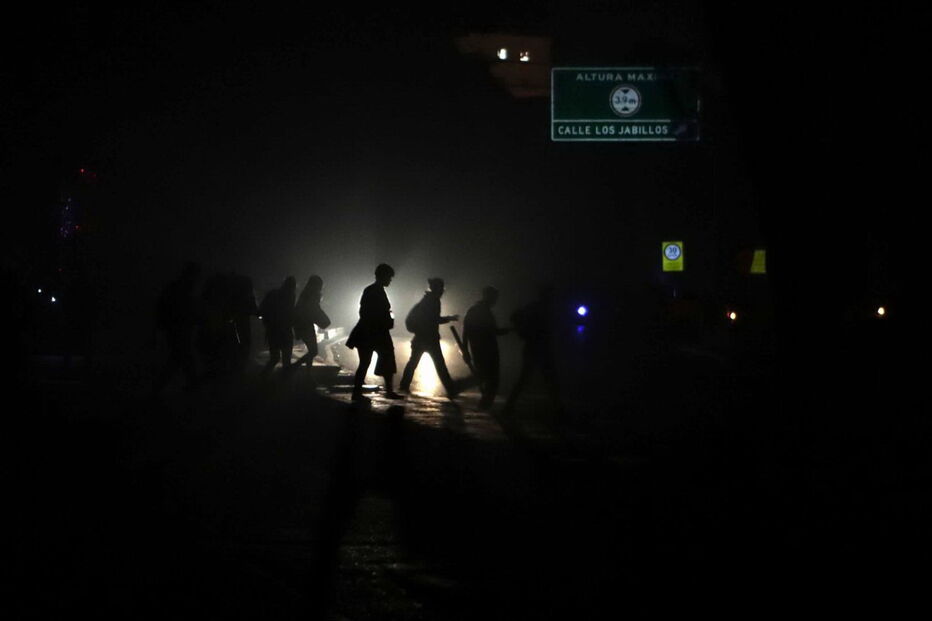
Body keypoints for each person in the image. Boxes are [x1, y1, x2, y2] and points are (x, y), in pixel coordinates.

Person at [504, 286, 563, 416]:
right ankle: (559, 409)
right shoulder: (542, 309)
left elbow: (515, 317)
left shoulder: (533, 307)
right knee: (549, 379)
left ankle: (509, 406)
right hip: (538, 347)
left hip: (533, 347)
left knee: (526, 378)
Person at [346, 264, 401, 401]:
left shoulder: (374, 290)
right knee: (376, 360)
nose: (390, 280)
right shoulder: (374, 291)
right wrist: (384, 320)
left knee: (370, 361)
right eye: (389, 277)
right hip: (373, 332)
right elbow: (366, 312)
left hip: (370, 332)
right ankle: (385, 391)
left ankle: (358, 392)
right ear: (383, 276)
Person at [399, 277, 460, 398]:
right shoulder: (434, 301)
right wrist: (449, 318)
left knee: (413, 363)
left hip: (420, 338)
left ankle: (404, 386)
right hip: (430, 339)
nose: (443, 291)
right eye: (441, 288)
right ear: (437, 288)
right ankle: (451, 389)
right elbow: (433, 320)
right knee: (440, 365)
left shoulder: (426, 300)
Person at [153, 262, 202, 393]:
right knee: (182, 358)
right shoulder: (182, 289)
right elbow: (182, 309)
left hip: (178, 329)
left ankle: (192, 384)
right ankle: (193, 385)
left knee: (179, 358)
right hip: (179, 329)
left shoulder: (178, 288)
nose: (197, 279)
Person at [462, 286, 510, 410]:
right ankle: (484, 405)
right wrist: (510, 329)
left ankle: (482, 403)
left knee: (483, 377)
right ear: (489, 297)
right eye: (494, 297)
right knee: (491, 379)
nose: (496, 300)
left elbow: (466, 331)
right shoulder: (483, 312)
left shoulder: (475, 310)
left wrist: (465, 349)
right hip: (487, 351)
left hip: (479, 350)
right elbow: (493, 331)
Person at [259, 276, 296, 374]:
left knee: (274, 358)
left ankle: (262, 379)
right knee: (286, 360)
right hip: (285, 331)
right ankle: (284, 383)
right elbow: (290, 315)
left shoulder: (272, 294)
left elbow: (261, 310)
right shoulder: (290, 296)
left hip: (273, 331)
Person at [293, 275, 331, 369]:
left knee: (311, 350)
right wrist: (322, 320)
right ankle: (294, 367)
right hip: (306, 326)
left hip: (303, 325)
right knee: (313, 351)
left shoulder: (305, 294)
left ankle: (307, 374)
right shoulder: (313, 295)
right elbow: (314, 311)